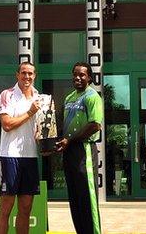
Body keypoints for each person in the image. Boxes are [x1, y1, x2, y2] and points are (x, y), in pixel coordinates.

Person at [54, 62, 103, 234]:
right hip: (70, 152)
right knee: (75, 199)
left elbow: (95, 125)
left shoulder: (92, 96)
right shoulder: (69, 98)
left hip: (84, 151)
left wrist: (70, 140)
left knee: (87, 199)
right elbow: (64, 126)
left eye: (82, 75)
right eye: (75, 74)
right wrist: (57, 140)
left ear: (89, 77)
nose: (78, 78)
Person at [0, 61, 41, 234]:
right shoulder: (7, 95)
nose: (27, 76)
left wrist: (44, 138)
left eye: (30, 73)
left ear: (34, 76)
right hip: (9, 156)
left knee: (26, 208)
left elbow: (41, 130)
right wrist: (30, 112)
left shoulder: (39, 97)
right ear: (17, 75)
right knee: (6, 207)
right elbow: (6, 124)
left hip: (30, 157)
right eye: (23, 73)